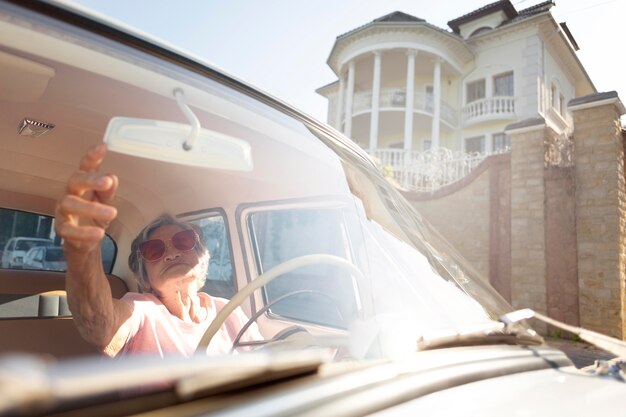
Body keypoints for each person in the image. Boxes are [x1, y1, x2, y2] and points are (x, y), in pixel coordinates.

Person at [55, 144, 260, 357]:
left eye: (183, 241)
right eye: (155, 250)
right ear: (145, 277)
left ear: (201, 258)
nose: (172, 253)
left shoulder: (227, 311)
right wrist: (83, 248)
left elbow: (264, 360)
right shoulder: (143, 310)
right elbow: (97, 324)